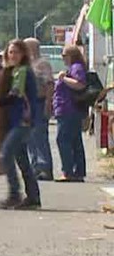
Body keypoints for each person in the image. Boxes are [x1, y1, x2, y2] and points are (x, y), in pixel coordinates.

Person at [0, 39, 41, 209]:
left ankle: (14, 194)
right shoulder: (15, 71)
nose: (13, 55)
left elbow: (15, 94)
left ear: (23, 54)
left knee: (5, 154)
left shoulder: (22, 71)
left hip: (23, 121)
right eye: (10, 52)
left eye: (16, 52)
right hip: (18, 120)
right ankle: (33, 197)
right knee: (22, 159)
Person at [53, 45, 88, 182]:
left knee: (63, 140)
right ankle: (78, 172)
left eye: (64, 55)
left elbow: (80, 84)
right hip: (68, 109)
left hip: (69, 109)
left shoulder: (76, 67)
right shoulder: (73, 68)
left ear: (72, 55)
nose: (63, 58)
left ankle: (68, 171)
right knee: (74, 141)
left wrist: (63, 79)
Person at [23, 39, 55, 181]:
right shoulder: (25, 64)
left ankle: (44, 168)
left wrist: (48, 102)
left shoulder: (42, 64)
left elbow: (49, 84)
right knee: (29, 137)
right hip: (27, 104)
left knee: (40, 135)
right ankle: (35, 167)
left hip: (39, 102)